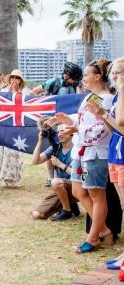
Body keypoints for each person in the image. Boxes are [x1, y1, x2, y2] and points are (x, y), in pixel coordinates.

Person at [47, 59, 114, 253]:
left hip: (95, 153)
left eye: (86, 75)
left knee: (96, 194)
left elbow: (104, 127)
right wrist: (66, 120)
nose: (82, 79)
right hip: (82, 153)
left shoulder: (106, 98)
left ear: (97, 76)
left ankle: (93, 237)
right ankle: (103, 230)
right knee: (78, 190)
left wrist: (78, 129)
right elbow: (84, 118)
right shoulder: (90, 97)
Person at [86, 57, 124, 266]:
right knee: (122, 203)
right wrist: (101, 115)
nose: (116, 76)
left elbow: (122, 125)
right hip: (114, 153)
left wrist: (106, 116)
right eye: (115, 73)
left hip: (122, 154)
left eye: (120, 73)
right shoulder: (118, 97)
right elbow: (113, 130)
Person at [32, 61, 84, 187]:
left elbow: (81, 92)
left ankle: (67, 171)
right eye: (74, 79)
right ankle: (50, 177)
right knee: (53, 147)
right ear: (66, 76)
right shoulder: (53, 82)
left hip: (67, 120)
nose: (75, 82)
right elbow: (34, 92)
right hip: (53, 121)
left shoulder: (76, 82)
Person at [31, 118, 79, 221]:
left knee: (55, 181)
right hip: (61, 187)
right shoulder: (56, 148)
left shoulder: (78, 148)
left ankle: (67, 211)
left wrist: (60, 164)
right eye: (58, 132)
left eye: (62, 131)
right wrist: (40, 142)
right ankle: (70, 204)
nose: (59, 134)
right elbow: (35, 161)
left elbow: (79, 174)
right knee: (37, 215)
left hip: (78, 185)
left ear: (71, 132)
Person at [0, 70, 29, 188]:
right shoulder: (4, 90)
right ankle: (4, 177)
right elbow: (2, 105)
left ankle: (16, 178)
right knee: (5, 151)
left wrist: (16, 92)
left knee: (17, 151)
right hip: (6, 124)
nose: (14, 80)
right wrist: (9, 92)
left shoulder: (24, 91)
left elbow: (26, 105)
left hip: (18, 124)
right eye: (12, 77)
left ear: (20, 80)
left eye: (17, 78)